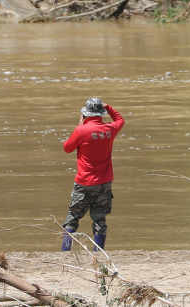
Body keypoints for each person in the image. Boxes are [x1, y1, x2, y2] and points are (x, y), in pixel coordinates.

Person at [61, 98, 125, 251]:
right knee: (99, 220)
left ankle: (65, 252)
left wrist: (79, 126)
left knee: (72, 218)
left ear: (86, 115)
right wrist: (109, 107)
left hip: (84, 183)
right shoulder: (110, 128)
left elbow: (67, 148)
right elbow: (120, 120)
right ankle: (99, 253)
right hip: (104, 183)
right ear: (101, 114)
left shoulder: (81, 130)